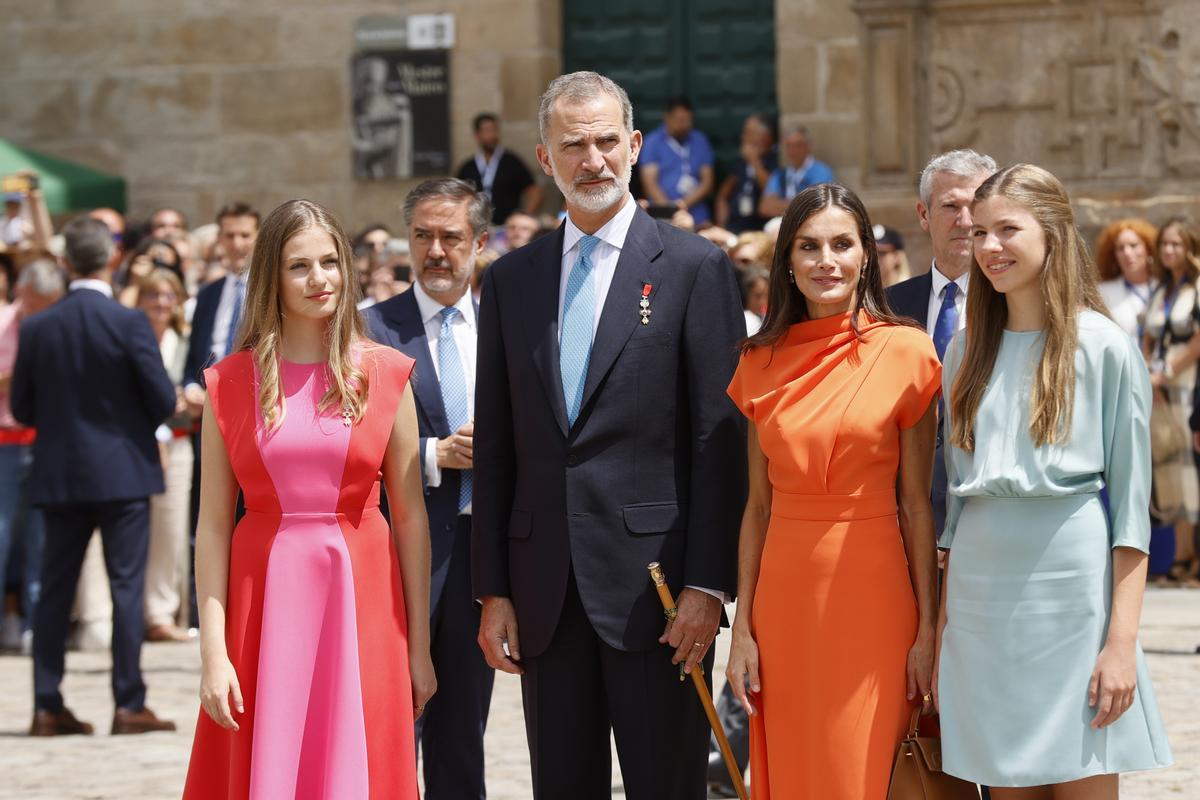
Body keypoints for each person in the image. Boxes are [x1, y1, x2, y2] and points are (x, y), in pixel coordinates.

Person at [472, 71, 747, 799]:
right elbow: (496, 446)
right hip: (544, 591)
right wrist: (493, 588)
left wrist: (707, 585)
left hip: (660, 597)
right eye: (573, 145)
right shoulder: (510, 280)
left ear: (634, 145)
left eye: (605, 142)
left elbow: (719, 443)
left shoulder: (693, 268)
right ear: (545, 158)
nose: (592, 160)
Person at [183, 199, 434, 798]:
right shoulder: (228, 383)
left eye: (330, 262)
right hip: (259, 606)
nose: (320, 279)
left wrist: (419, 648)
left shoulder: (386, 374)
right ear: (271, 276)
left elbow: (410, 519)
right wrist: (213, 653)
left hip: (366, 602)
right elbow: (212, 526)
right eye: (299, 266)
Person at [936, 163, 1173, 794]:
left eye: (1007, 229)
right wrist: (943, 633)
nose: (989, 246)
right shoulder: (963, 352)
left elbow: (1131, 516)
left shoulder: (1105, 347)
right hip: (979, 604)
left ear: (1053, 232)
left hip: (1073, 598)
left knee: (1084, 775)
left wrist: (1120, 644)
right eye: (979, 232)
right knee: (1004, 782)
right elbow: (954, 515)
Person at [724, 184, 940, 798]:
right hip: (783, 602)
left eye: (842, 244)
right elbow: (757, 507)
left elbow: (916, 504)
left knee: (863, 765)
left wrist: (928, 629)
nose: (827, 261)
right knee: (799, 765)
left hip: (875, 595)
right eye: (809, 246)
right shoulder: (759, 360)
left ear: (866, 254)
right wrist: (743, 629)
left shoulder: (906, 350)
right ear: (787, 260)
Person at [11, 216, 178, 736]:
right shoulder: (129, 323)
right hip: (123, 471)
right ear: (112, 258)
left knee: (55, 590)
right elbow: (163, 399)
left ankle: (46, 704)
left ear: (64, 263)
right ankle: (128, 703)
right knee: (126, 588)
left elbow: (23, 408)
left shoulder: (39, 326)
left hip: (61, 473)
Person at [366, 178, 495, 800]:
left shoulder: (507, 327)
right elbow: (344, 446)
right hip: (397, 553)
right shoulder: (369, 330)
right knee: (391, 726)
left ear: (481, 242)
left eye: (451, 237)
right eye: (422, 236)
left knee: (464, 732)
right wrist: (430, 455)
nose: (436, 251)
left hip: (482, 555)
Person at [887, 148, 998, 538]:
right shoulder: (887, 308)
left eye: (976, 207)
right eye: (951, 206)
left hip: (988, 512)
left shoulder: (1015, 307)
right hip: (904, 515)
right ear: (923, 214)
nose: (965, 221)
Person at [0, 260, 63, 654]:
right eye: (30, 301)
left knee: (42, 542)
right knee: (2, 536)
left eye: (43, 303)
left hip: (46, 443)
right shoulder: (4, 322)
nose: (33, 310)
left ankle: (36, 627)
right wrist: (19, 375)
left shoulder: (57, 325)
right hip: (5, 442)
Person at [136, 268, 194, 642]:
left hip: (179, 442)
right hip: (136, 444)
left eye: (168, 294)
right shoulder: (130, 337)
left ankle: (161, 612)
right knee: (133, 530)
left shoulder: (187, 341)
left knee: (171, 529)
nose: (161, 302)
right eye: (153, 294)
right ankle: (130, 613)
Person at [1141, 217, 1200, 585]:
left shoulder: (1196, 286)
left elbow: (1197, 341)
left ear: (1189, 247)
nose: (1169, 250)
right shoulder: (1162, 289)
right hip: (1161, 390)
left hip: (1189, 386)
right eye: (1164, 244)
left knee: (1192, 469)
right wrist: (1151, 372)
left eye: (1176, 243)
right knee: (1171, 470)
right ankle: (1182, 554)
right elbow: (1148, 337)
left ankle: (1195, 558)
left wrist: (1165, 373)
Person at [639, 97, 716, 227]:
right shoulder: (652, 142)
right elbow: (650, 184)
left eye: (688, 120)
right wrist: (670, 210)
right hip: (662, 215)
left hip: (696, 213)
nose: (684, 125)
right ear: (667, 118)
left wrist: (683, 204)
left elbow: (707, 182)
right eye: (680, 120)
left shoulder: (700, 140)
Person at [456, 112, 542, 226]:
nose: (491, 135)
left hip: (506, 228)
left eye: (494, 130)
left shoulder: (512, 162)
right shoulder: (468, 167)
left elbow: (534, 191)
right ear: (477, 135)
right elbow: (457, 197)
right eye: (486, 131)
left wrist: (524, 217)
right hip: (476, 227)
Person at [1095, 218, 1158, 342]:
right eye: (1120, 248)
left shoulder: (1164, 286)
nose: (1127, 253)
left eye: (1134, 245)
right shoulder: (1102, 293)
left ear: (1148, 249)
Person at [715, 113, 778, 234]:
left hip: (759, 230)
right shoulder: (741, 161)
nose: (743, 137)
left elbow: (770, 189)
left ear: (765, 137)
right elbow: (723, 195)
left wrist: (754, 161)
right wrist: (721, 225)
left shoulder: (775, 159)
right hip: (733, 227)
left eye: (749, 133)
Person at [757, 126, 836, 219]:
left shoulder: (821, 172)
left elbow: (817, 206)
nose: (793, 151)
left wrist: (780, 204)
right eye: (789, 146)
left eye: (798, 145)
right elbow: (765, 207)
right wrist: (800, 205)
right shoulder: (779, 174)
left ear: (808, 146)